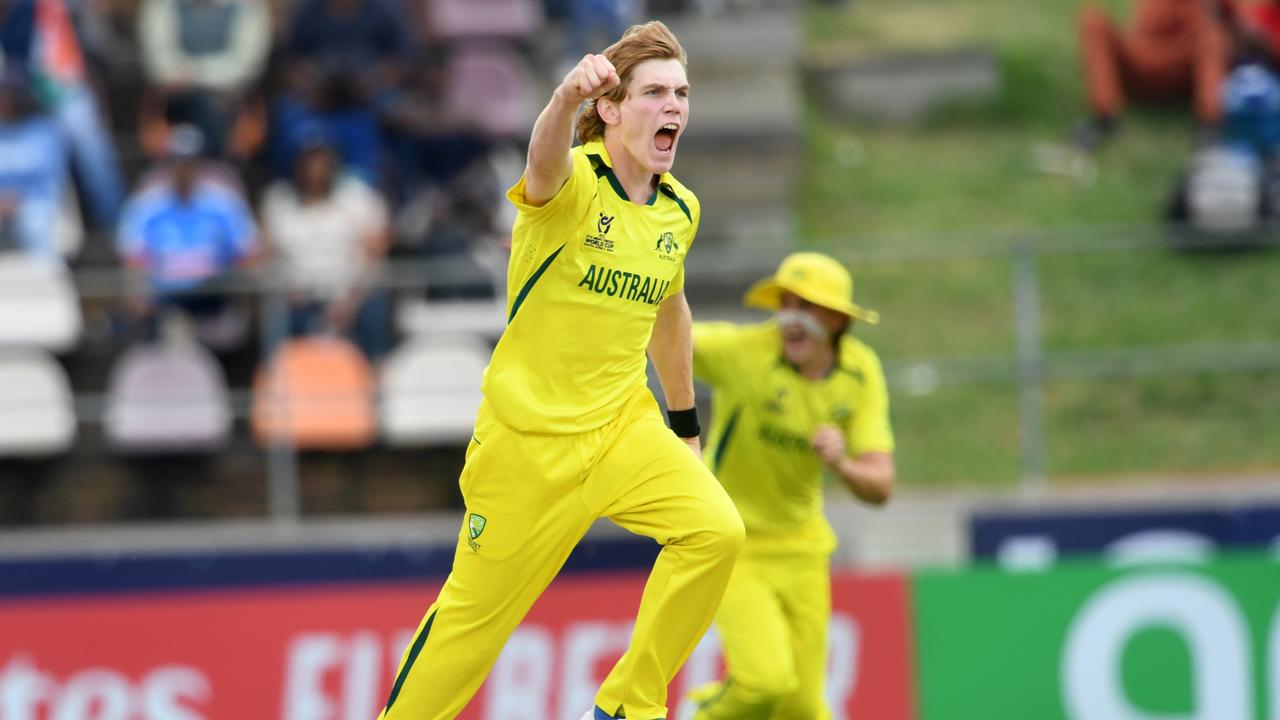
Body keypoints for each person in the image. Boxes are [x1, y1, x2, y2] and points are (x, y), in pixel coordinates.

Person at [379, 21, 745, 720]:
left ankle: (624, 709)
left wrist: (684, 423)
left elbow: (669, 310)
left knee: (715, 532)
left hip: (619, 428)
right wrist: (562, 99)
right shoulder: (574, 185)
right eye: (655, 92)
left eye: (682, 93)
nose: (674, 107)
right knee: (470, 625)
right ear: (610, 108)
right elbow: (542, 162)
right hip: (528, 446)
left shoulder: (679, 209)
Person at [685, 252, 896, 720]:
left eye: (808, 306)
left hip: (804, 550)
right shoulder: (745, 353)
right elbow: (663, 332)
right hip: (733, 544)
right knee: (765, 684)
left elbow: (881, 487)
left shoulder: (861, 372)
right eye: (786, 302)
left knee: (802, 707)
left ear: (838, 320)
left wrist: (843, 463)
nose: (791, 317)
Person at [260, 126, 393, 360]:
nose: (316, 165)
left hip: (351, 295)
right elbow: (266, 252)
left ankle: (377, 376)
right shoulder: (278, 200)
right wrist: (285, 286)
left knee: (375, 306)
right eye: (309, 158)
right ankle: (277, 378)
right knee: (273, 311)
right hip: (297, 297)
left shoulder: (358, 196)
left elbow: (376, 252)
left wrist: (349, 302)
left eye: (321, 157)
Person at [116, 125, 258, 334]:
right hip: (164, 300)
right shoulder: (147, 203)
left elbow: (248, 252)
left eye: (190, 162)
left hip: (214, 296)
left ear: (200, 163)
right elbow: (132, 257)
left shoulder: (223, 201)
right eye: (177, 161)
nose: (184, 169)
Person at [1073, 0, 1233, 151]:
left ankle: (1210, 126)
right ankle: (1103, 118)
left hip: (1181, 68)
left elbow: (1242, 20)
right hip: (1139, 62)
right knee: (1092, 19)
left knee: (1212, 36)